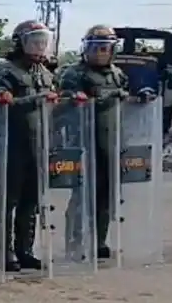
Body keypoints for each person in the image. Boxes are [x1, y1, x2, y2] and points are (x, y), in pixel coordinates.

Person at [56, 25, 138, 260]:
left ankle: (99, 240)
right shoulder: (74, 73)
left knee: (108, 193)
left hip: (111, 140)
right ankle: (76, 241)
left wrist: (139, 97)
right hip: (83, 139)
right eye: (96, 47)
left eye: (105, 47)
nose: (101, 52)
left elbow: (125, 97)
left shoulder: (117, 74)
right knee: (82, 194)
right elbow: (65, 104)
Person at [0, 20, 59, 272]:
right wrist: (37, 99)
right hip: (12, 142)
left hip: (40, 143)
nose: (39, 46)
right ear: (19, 43)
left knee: (32, 200)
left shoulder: (46, 72)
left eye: (43, 41)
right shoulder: (4, 70)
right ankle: (5, 251)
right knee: (9, 201)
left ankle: (25, 250)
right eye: (34, 41)